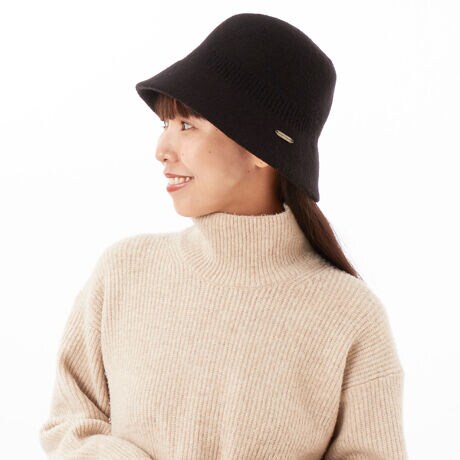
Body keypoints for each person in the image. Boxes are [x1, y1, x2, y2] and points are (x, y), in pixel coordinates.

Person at [38, 12, 408, 459]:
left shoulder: (348, 315)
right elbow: (70, 423)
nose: (161, 150)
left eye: (187, 125)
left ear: (260, 148)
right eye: (164, 125)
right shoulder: (123, 272)